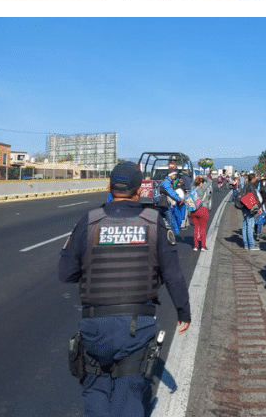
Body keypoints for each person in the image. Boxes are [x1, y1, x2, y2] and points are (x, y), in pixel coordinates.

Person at [58, 161, 191, 417]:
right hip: (136, 328)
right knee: (129, 396)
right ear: (140, 189)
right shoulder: (154, 223)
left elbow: (66, 274)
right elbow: (173, 275)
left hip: (94, 326)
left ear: (109, 187)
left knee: (95, 390)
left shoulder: (89, 221)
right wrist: (183, 312)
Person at [236, 172, 261, 250]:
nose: (256, 179)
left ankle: (246, 244)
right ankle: (252, 245)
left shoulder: (246, 185)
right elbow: (255, 198)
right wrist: (259, 206)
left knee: (245, 226)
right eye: (255, 178)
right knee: (250, 226)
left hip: (244, 207)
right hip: (249, 208)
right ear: (253, 179)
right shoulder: (251, 186)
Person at [187, 176, 211, 252]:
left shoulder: (192, 188)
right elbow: (209, 181)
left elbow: (192, 183)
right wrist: (203, 177)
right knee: (203, 228)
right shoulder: (202, 188)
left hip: (193, 210)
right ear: (201, 183)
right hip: (202, 209)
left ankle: (195, 246)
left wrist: (196, 178)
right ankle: (203, 246)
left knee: (196, 228)